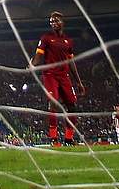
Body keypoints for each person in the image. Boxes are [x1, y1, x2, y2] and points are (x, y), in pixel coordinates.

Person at [33, 11, 85, 146]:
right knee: (54, 104)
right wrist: (32, 65)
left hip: (64, 76)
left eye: (56, 21)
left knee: (72, 107)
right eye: (51, 22)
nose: (54, 23)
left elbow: (71, 62)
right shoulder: (46, 38)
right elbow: (39, 55)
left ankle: (68, 139)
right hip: (50, 75)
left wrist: (78, 82)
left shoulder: (68, 41)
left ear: (62, 22)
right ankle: (54, 139)